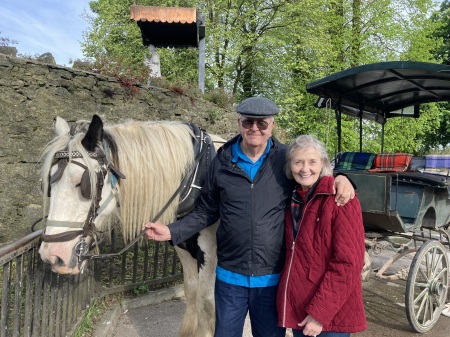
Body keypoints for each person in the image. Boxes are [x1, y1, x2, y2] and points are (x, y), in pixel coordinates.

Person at [143, 97, 355, 337]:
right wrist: (172, 231)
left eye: (262, 123)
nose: (255, 128)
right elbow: (206, 210)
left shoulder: (284, 159)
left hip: (271, 278)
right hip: (230, 278)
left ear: (271, 125)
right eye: (248, 122)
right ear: (239, 123)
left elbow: (312, 178)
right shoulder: (221, 162)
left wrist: (342, 178)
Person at [276, 135, 367, 337]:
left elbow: (348, 263)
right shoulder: (292, 198)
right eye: (298, 162)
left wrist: (319, 314)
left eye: (312, 162)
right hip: (300, 309)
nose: (304, 168)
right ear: (290, 166)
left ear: (323, 164)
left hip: (330, 316)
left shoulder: (341, 199)